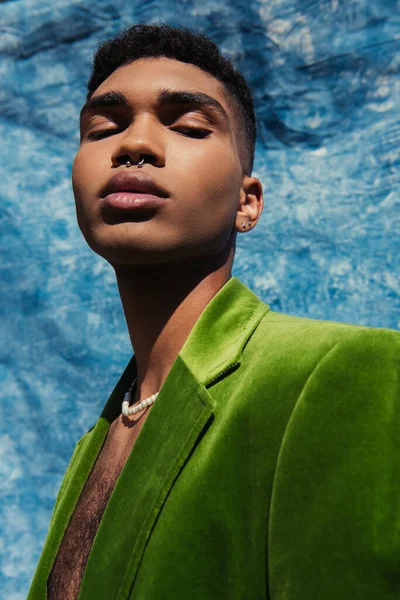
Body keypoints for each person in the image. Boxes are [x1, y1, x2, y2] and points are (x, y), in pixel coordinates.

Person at [28, 22, 400, 600]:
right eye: (105, 126)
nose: (135, 144)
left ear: (247, 202)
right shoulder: (93, 446)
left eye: (189, 126)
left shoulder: (339, 372)